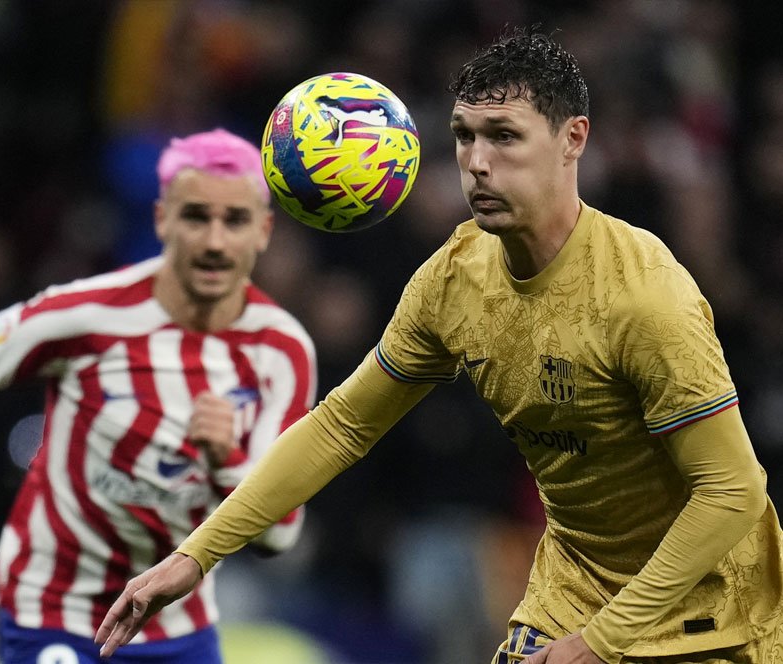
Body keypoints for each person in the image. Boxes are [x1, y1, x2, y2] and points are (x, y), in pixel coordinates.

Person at [94, 28, 783, 664]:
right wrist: (195, 556)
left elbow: (731, 492)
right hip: (575, 588)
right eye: (464, 136)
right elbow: (343, 424)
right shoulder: (455, 279)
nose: (477, 163)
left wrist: (602, 642)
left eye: (504, 138)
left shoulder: (643, 294)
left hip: (706, 606)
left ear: (573, 139)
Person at [0, 128, 318, 664]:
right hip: (58, 613)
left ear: (264, 230)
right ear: (161, 219)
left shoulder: (283, 351)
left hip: (179, 623)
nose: (213, 241)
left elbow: (280, 535)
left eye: (234, 220)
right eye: (194, 216)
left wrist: (225, 460)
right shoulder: (88, 312)